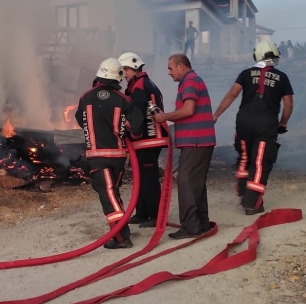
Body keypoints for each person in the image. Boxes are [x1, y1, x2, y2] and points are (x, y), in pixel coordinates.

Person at [213, 41, 294, 215]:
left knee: (244, 156)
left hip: (244, 122)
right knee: (260, 161)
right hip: (267, 123)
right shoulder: (282, 77)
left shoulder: (245, 74)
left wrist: (217, 114)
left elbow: (232, 94)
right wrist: (283, 123)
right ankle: (252, 203)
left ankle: (243, 193)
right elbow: (288, 104)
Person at [75, 58, 144, 249]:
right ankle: (123, 230)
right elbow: (137, 128)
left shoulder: (85, 97)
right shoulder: (124, 100)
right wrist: (125, 130)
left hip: (97, 156)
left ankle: (121, 237)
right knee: (113, 192)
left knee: (107, 195)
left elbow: (80, 121)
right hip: (118, 156)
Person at [152, 54, 216, 239]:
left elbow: (188, 110)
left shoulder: (190, 81)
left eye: (170, 68)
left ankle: (190, 227)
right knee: (196, 183)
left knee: (186, 181)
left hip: (196, 140)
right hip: (200, 140)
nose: (169, 72)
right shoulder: (192, 80)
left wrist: (165, 117)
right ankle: (201, 223)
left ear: (181, 66)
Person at [118, 51, 170, 227]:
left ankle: (156, 216)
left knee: (148, 177)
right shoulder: (141, 84)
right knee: (140, 176)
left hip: (148, 140)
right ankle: (142, 212)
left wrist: (133, 134)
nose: (124, 74)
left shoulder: (140, 86)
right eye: (122, 70)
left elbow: (137, 116)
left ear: (135, 68)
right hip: (148, 140)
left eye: (126, 69)